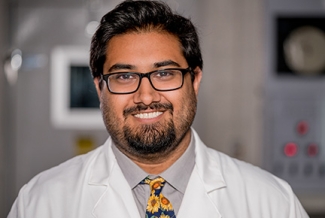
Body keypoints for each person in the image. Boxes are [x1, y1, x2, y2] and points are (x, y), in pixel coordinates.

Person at [8, 0, 309, 217]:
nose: (146, 95)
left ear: (195, 81)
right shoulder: (40, 202)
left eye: (165, 73)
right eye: (124, 76)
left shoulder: (271, 202)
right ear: (100, 87)